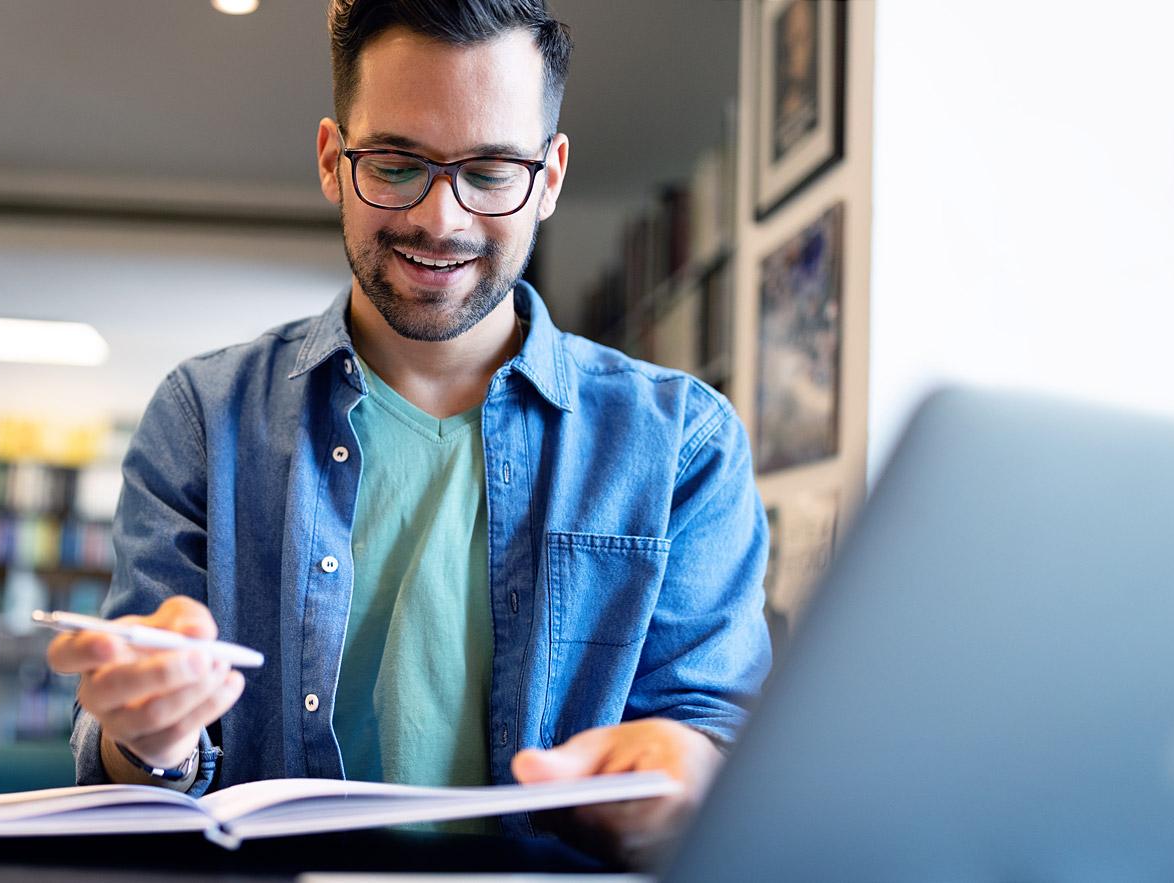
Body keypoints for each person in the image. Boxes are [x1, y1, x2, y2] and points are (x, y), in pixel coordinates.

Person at [47, 0, 769, 858]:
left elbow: (716, 732)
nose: (442, 219)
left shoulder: (685, 442)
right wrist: (150, 738)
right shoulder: (204, 415)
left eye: (493, 169)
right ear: (331, 159)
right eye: (395, 164)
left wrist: (681, 775)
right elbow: (127, 763)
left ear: (550, 178)